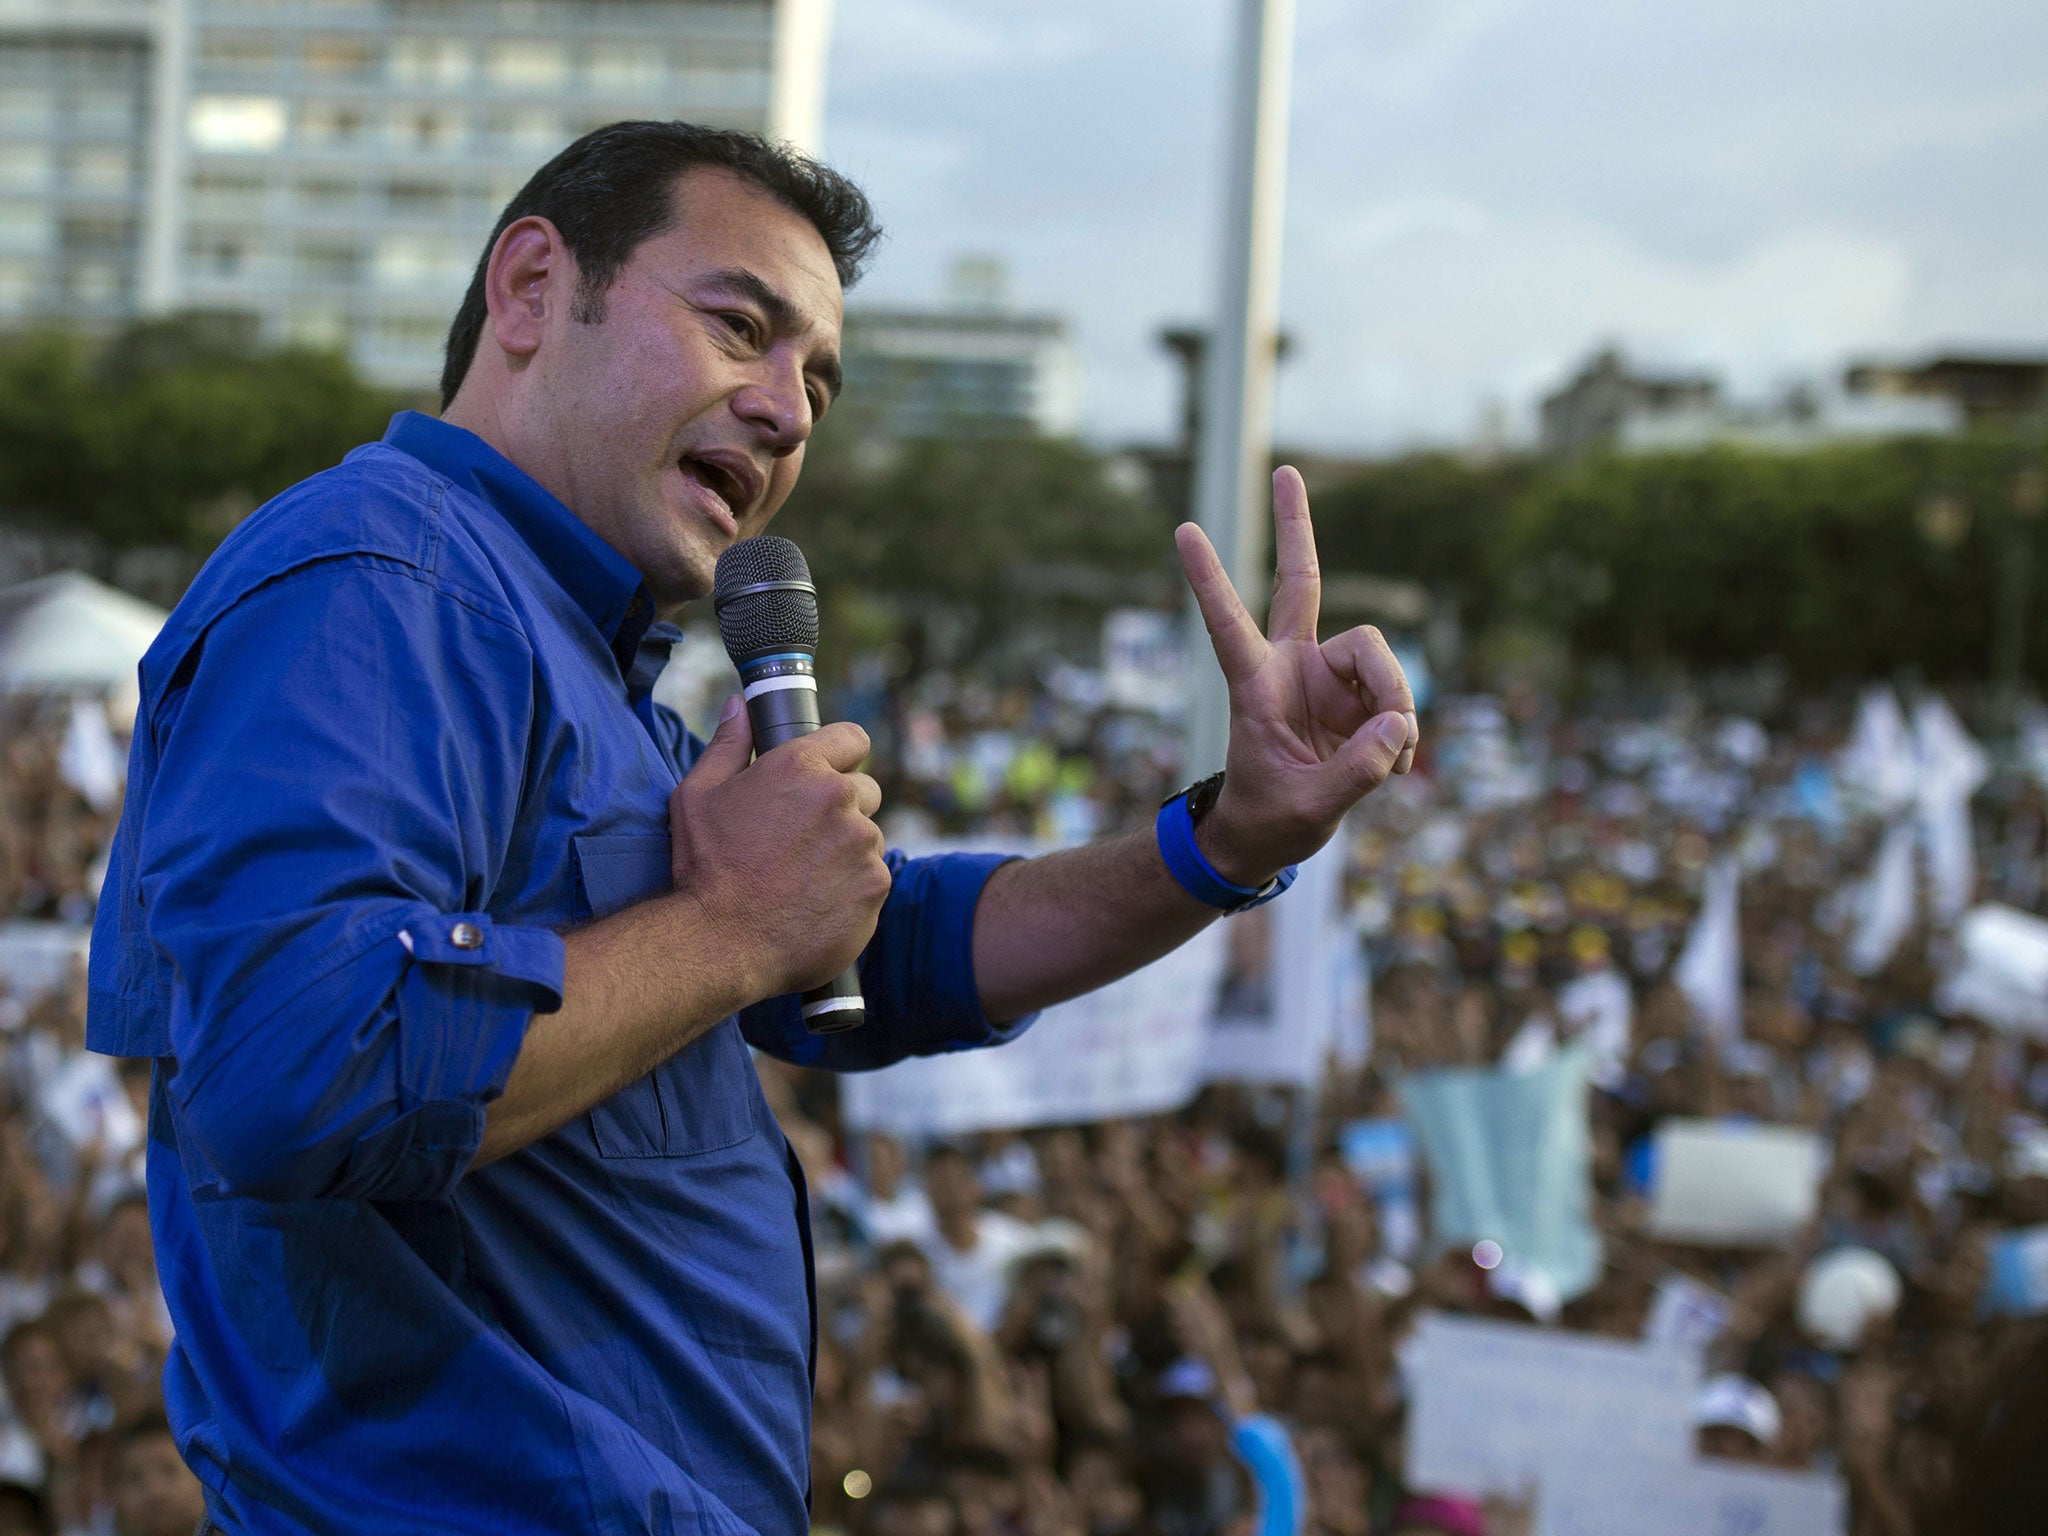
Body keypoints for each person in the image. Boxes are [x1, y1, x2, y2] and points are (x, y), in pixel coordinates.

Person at [87, 121, 1417, 1533]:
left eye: (816, 383)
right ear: (533, 289)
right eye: (741, 329)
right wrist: (728, 929)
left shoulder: (577, 663)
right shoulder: (384, 578)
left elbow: (878, 944)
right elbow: (303, 1069)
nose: (787, 412)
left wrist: (1232, 838)